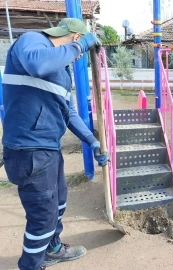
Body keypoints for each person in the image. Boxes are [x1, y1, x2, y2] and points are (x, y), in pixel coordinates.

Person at [1, 18, 109, 270]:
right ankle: (31, 265)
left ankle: (53, 248)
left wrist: (92, 141)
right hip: (29, 150)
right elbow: (38, 64)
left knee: (58, 203)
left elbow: (68, 112)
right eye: (76, 47)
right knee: (42, 217)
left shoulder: (61, 73)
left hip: (49, 149)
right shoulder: (32, 41)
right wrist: (82, 46)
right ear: (73, 37)